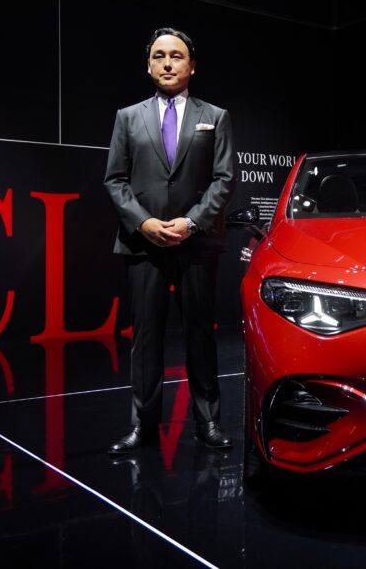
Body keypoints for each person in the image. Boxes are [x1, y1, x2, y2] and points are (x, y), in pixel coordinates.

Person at [104, 27, 235, 454]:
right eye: (159, 56)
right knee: (146, 338)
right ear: (148, 65)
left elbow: (224, 179)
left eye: (176, 56)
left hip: (196, 244)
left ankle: (208, 422)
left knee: (200, 334)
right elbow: (115, 180)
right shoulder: (128, 117)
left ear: (191, 66)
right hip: (144, 245)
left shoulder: (215, 116)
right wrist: (143, 223)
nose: (167, 63)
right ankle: (143, 425)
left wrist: (191, 223)